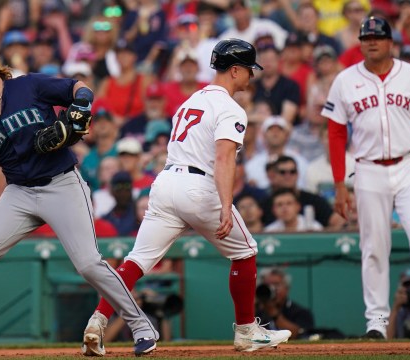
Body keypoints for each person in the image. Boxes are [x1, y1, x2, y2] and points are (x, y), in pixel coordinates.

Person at [0, 44, 159, 357]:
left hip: (61, 183)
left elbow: (79, 89)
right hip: (20, 193)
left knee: (89, 264)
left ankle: (142, 326)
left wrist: (80, 105)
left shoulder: (27, 86)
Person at [80, 39, 292, 356]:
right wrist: (224, 205)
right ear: (235, 70)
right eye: (248, 69)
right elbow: (224, 159)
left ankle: (98, 320)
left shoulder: (191, 100)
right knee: (245, 252)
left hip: (165, 183)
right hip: (199, 185)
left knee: (135, 262)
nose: (251, 75)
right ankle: (247, 330)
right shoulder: (231, 107)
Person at [323, 16, 410, 339]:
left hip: (409, 165)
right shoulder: (346, 80)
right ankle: (375, 321)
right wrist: (338, 183)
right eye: (366, 37)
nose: (371, 41)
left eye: (377, 36)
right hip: (368, 169)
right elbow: (335, 134)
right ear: (360, 43)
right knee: (374, 245)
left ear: (391, 42)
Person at [255, 268, 315, 339]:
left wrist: (273, 313)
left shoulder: (301, 313)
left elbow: (297, 335)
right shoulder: (257, 310)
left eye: (276, 285)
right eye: (267, 286)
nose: (272, 289)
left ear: (287, 288)